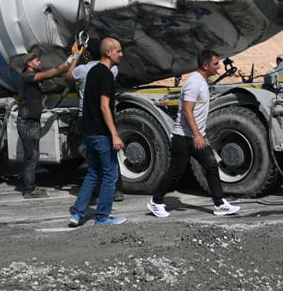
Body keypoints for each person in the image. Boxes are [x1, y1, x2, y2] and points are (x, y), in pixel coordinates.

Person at [147, 50, 240, 218]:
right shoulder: (194, 83)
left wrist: (198, 135)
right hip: (184, 137)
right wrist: (197, 135)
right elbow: (187, 112)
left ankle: (219, 204)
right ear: (205, 65)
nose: (218, 67)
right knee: (175, 173)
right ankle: (156, 201)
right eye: (215, 64)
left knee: (211, 166)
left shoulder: (202, 81)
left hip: (194, 137)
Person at [67, 37, 126, 227]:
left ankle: (76, 214)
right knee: (110, 175)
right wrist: (115, 134)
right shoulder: (107, 74)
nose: (121, 54)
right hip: (101, 133)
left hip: (88, 131)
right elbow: (104, 106)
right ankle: (102, 217)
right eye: (118, 51)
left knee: (93, 173)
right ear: (108, 52)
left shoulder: (90, 72)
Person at [18, 50, 80, 198]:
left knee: (33, 157)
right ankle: (29, 190)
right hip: (27, 123)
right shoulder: (28, 76)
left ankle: (31, 187)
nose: (40, 63)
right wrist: (72, 59)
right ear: (29, 64)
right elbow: (53, 73)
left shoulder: (31, 77)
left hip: (31, 122)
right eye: (37, 61)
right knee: (31, 157)